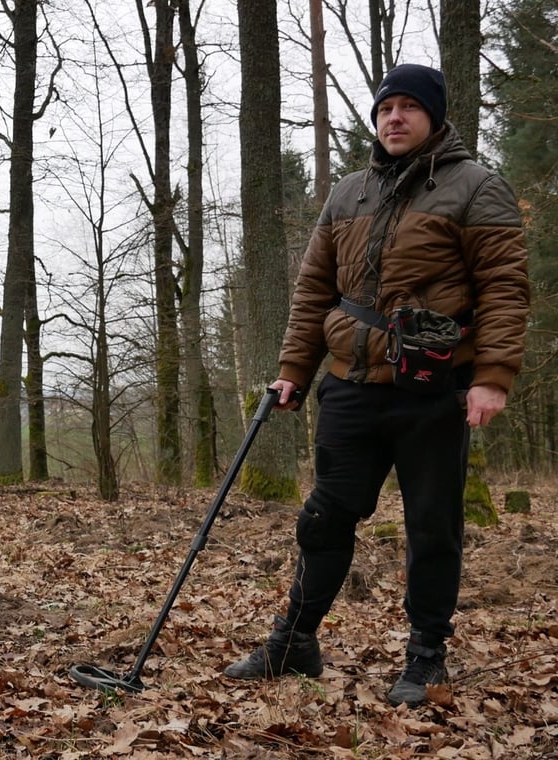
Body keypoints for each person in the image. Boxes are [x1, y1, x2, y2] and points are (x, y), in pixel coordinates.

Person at [222, 64, 529, 707]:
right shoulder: (348, 193)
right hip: (350, 386)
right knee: (325, 516)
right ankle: (296, 641)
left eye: (409, 107)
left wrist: (493, 377)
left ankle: (426, 657)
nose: (394, 118)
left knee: (432, 526)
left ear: (434, 117)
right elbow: (313, 291)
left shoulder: (477, 187)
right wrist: (292, 371)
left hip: (434, 388)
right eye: (386, 108)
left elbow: (503, 289)